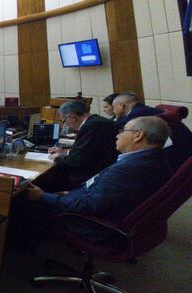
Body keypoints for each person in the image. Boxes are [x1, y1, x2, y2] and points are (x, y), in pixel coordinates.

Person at [25, 117, 173, 244]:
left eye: (123, 131)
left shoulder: (130, 168)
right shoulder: (155, 160)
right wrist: (70, 194)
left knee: (23, 202)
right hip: (112, 212)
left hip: (97, 226)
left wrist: (43, 196)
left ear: (138, 136)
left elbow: (87, 206)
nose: (117, 135)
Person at [46, 99, 118, 189]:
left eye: (64, 121)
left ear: (72, 117)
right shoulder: (97, 121)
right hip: (105, 170)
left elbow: (78, 161)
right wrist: (65, 152)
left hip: (92, 177)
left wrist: (57, 157)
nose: (65, 125)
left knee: (49, 178)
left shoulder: (91, 126)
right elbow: (89, 152)